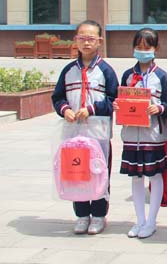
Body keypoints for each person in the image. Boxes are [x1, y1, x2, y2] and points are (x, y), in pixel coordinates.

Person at [51, 20, 118, 235]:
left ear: (99, 41)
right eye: (82, 38)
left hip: (97, 133)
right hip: (73, 133)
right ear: (76, 40)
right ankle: (81, 215)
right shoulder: (68, 70)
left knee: (99, 172)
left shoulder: (106, 71)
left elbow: (114, 100)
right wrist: (65, 110)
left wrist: (91, 109)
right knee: (76, 172)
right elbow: (58, 97)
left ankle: (98, 215)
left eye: (91, 39)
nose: (86, 43)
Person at [115, 28, 167, 239]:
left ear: (156, 48)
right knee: (136, 177)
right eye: (138, 47)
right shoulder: (128, 75)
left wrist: (160, 108)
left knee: (155, 176)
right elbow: (121, 98)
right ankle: (139, 220)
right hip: (131, 135)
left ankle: (151, 221)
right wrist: (117, 105)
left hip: (153, 135)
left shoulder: (162, 76)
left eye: (147, 47)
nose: (142, 51)